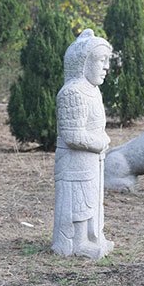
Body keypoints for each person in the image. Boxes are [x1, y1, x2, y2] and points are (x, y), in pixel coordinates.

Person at [53, 29, 114, 259]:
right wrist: (98, 142)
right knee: (78, 204)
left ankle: (91, 237)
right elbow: (72, 135)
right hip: (74, 164)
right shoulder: (72, 92)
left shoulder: (93, 91)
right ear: (83, 62)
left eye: (107, 61)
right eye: (101, 60)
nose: (106, 66)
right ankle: (76, 242)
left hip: (91, 161)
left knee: (91, 202)